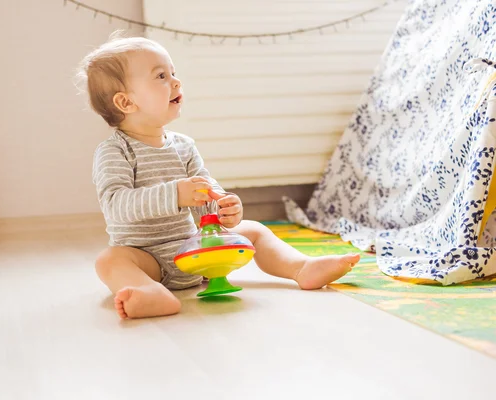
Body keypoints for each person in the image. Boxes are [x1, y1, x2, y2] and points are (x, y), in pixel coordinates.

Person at [78, 34, 360, 319]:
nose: (176, 82)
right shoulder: (114, 152)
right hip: (147, 258)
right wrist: (175, 194)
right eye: (161, 76)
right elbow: (116, 206)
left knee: (255, 230)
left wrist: (223, 204)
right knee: (110, 260)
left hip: (194, 251)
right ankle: (149, 292)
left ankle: (301, 268)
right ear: (126, 102)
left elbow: (206, 191)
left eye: (173, 73)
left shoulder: (184, 145)